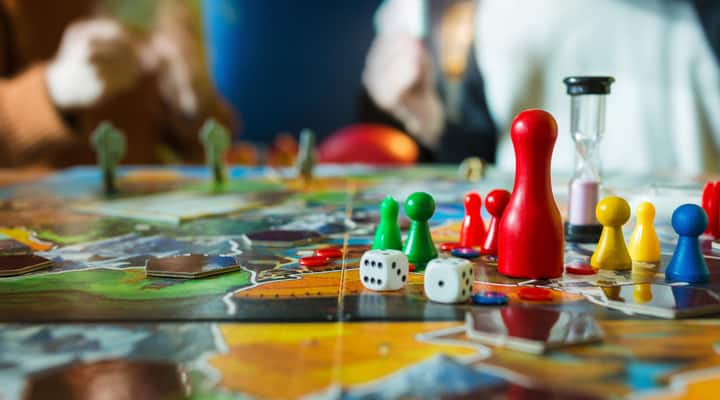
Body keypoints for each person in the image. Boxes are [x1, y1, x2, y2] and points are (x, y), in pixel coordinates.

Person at [362, 0, 720, 175]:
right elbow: (474, 158)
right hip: (536, 259)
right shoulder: (437, 11)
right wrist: (427, 117)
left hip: (694, 249)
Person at [0, 0, 234, 167]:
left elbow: (208, 145)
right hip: (36, 218)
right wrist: (53, 89)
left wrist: (193, 102)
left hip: (143, 209)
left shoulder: (167, 8)